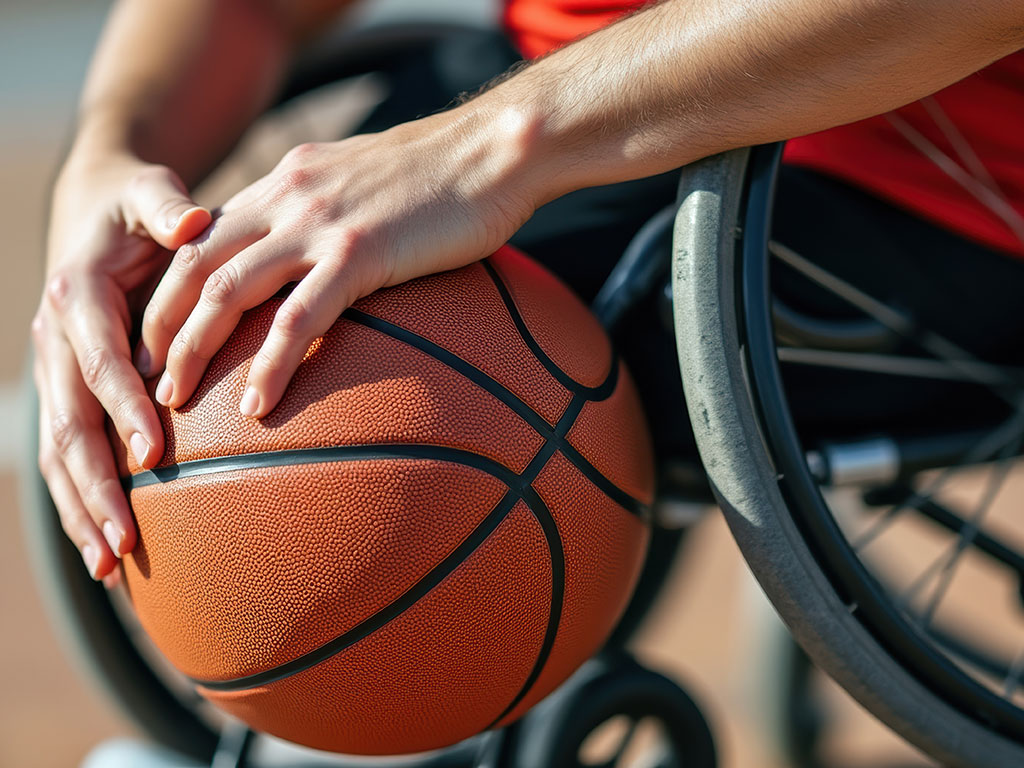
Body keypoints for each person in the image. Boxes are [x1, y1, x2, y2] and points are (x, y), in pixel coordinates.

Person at [33, 0, 1024, 583]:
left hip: (916, 182)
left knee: (387, 393)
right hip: (539, 81)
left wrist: (487, 151)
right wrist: (112, 156)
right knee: (208, 332)